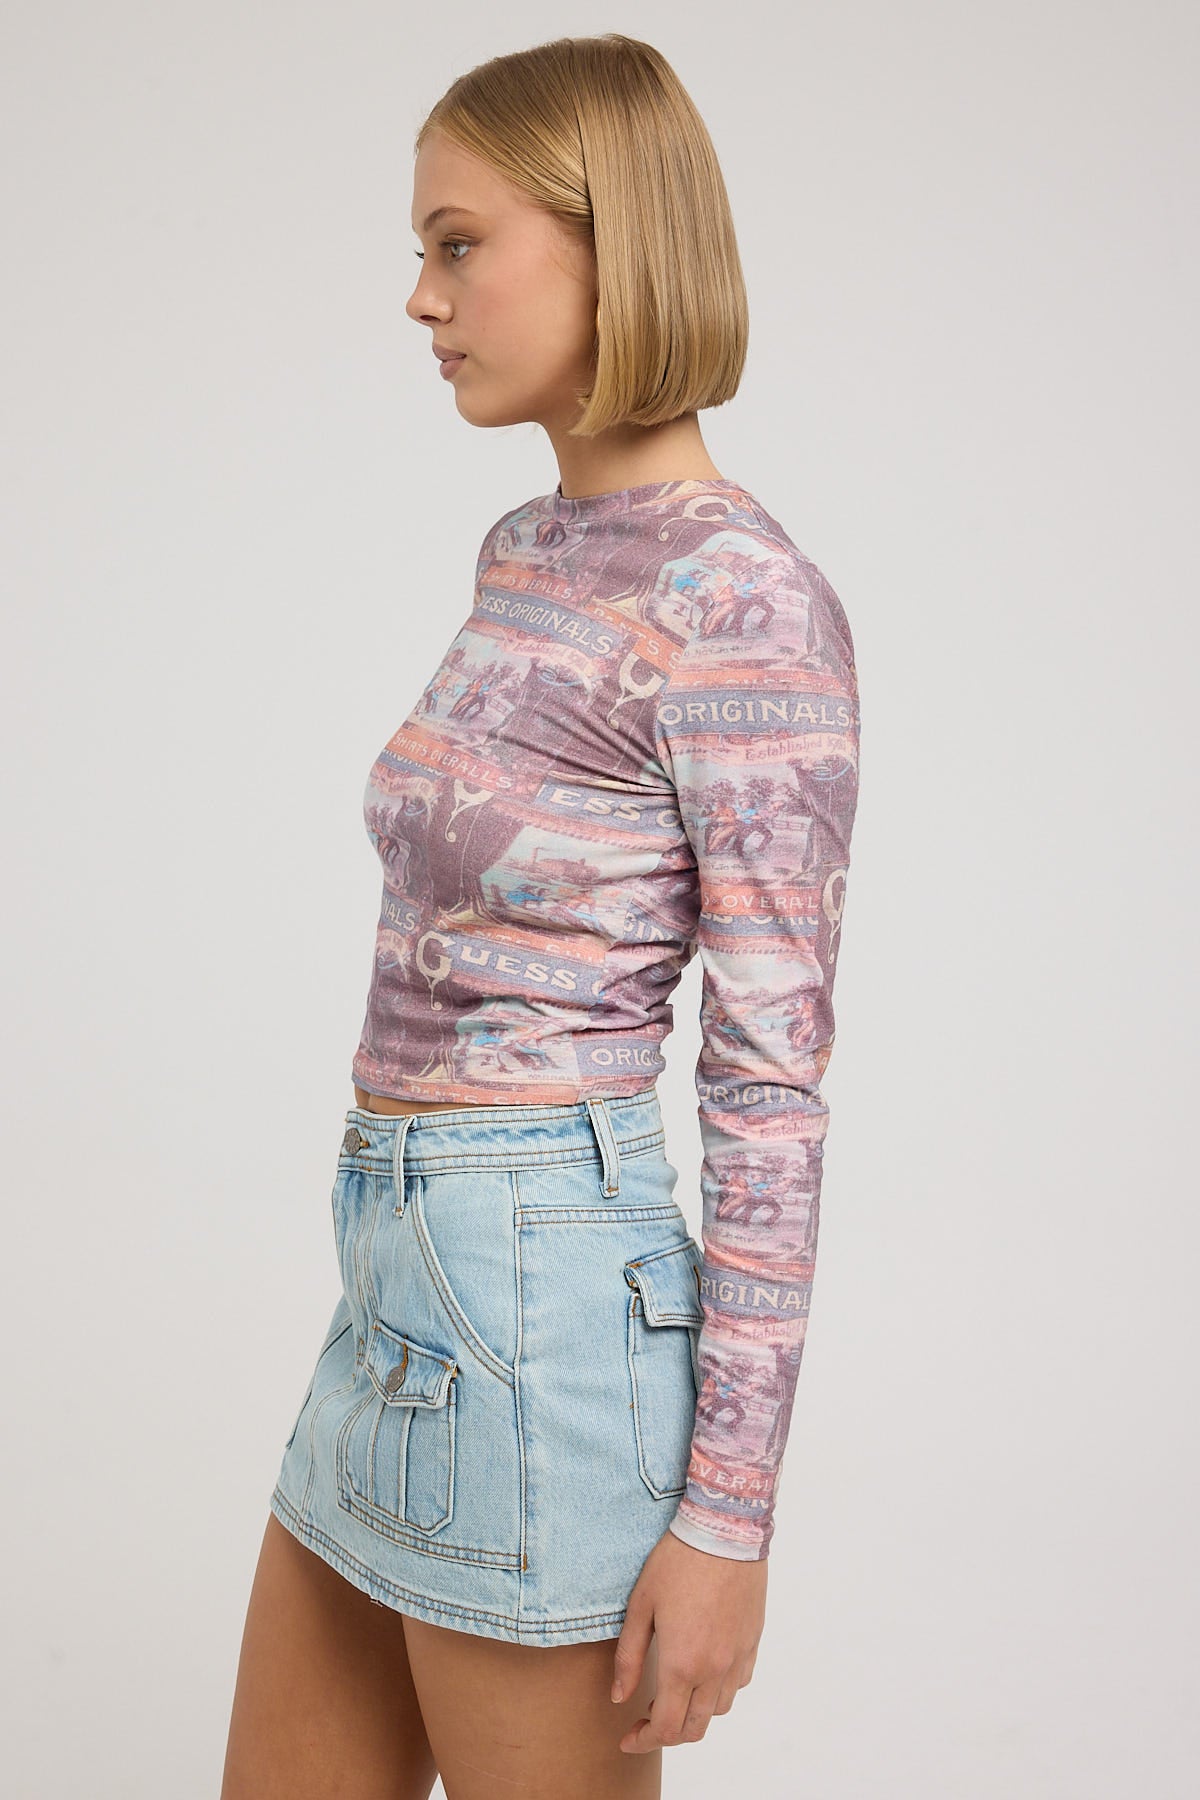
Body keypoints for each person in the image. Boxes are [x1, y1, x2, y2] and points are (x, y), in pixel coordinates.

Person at [221, 31, 861, 1800]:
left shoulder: (747, 601)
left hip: (545, 1307)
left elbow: (771, 1086)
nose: (421, 299)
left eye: (458, 245)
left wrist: (725, 1518)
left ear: (614, 243)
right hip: (394, 1277)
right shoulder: (527, 550)